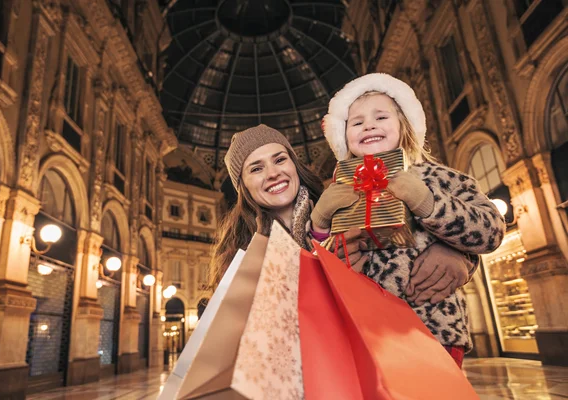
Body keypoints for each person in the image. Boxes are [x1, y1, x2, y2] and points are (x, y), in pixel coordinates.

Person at [316, 73, 506, 367]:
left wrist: (428, 204)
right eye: (356, 122)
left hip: (434, 329)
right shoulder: (338, 192)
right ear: (344, 138)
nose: (369, 125)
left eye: (381, 117)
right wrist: (326, 234)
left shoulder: (440, 177)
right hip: (365, 331)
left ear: (404, 126)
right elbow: (314, 261)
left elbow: (491, 230)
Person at [209, 124, 479, 309]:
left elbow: (406, 237)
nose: (272, 173)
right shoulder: (239, 251)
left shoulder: (345, 201)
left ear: (294, 164)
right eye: (256, 168)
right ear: (243, 186)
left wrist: (459, 256)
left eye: (280, 159)